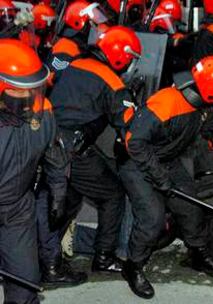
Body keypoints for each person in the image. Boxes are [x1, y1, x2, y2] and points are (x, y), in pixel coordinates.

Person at [118, 55, 213, 299]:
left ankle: (196, 250)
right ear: (210, 91)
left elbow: (205, 137)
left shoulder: (199, 106)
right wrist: (159, 178)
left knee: (189, 203)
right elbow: (134, 142)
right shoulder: (167, 104)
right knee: (152, 219)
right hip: (137, 161)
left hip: (166, 158)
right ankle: (133, 265)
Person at [38, 25, 141, 286]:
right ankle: (104, 257)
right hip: (72, 149)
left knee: (65, 201)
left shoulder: (74, 63)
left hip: (46, 138)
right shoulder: (114, 83)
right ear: (120, 56)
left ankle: (46, 256)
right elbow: (129, 127)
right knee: (112, 194)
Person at [0, 38, 66, 304]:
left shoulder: (43, 113)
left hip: (18, 209)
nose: (28, 100)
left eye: (32, 90)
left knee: (25, 283)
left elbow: (54, 155)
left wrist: (59, 191)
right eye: (19, 92)